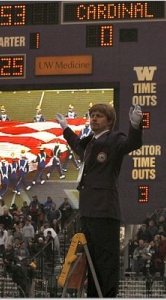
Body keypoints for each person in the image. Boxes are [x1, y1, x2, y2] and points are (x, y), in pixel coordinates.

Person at [56, 103, 143, 297]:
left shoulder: (114, 139)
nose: (94, 118)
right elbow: (77, 145)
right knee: (91, 262)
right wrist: (65, 129)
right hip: (87, 211)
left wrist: (136, 125)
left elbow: (132, 144)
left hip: (104, 210)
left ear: (109, 121)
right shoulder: (89, 143)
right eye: (92, 115)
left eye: (99, 116)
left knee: (106, 263)